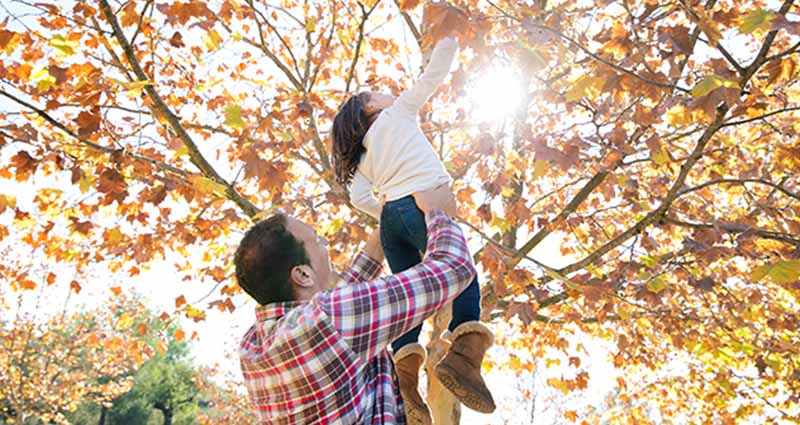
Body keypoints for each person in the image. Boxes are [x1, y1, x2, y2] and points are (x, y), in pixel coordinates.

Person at [330, 28, 495, 425]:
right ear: (369, 109)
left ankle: (405, 380)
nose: (385, 92)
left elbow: (358, 198)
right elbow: (433, 75)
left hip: (391, 223)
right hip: (422, 207)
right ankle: (464, 357)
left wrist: (389, 208)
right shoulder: (398, 112)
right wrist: (449, 32)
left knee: (411, 303)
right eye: (375, 93)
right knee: (461, 273)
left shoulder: (365, 156)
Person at [235, 185, 478, 424]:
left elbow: (344, 303)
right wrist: (437, 211)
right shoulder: (328, 321)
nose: (325, 244)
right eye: (317, 240)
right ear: (303, 275)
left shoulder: (253, 347)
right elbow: (454, 267)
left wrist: (389, 215)